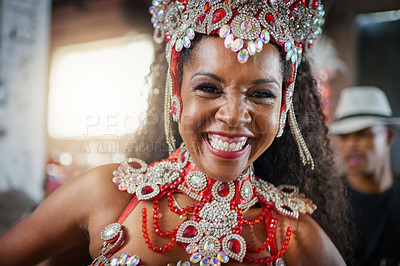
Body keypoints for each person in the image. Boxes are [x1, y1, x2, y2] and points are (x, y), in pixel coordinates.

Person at [0, 1, 351, 265]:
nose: (232, 115)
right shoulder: (105, 195)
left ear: (283, 108)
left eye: (261, 95)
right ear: (176, 97)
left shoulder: (298, 238)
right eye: (209, 89)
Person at [329, 86, 400, 266]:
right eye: (344, 136)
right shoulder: (328, 200)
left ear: (390, 135)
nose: (352, 145)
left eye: (363, 134)